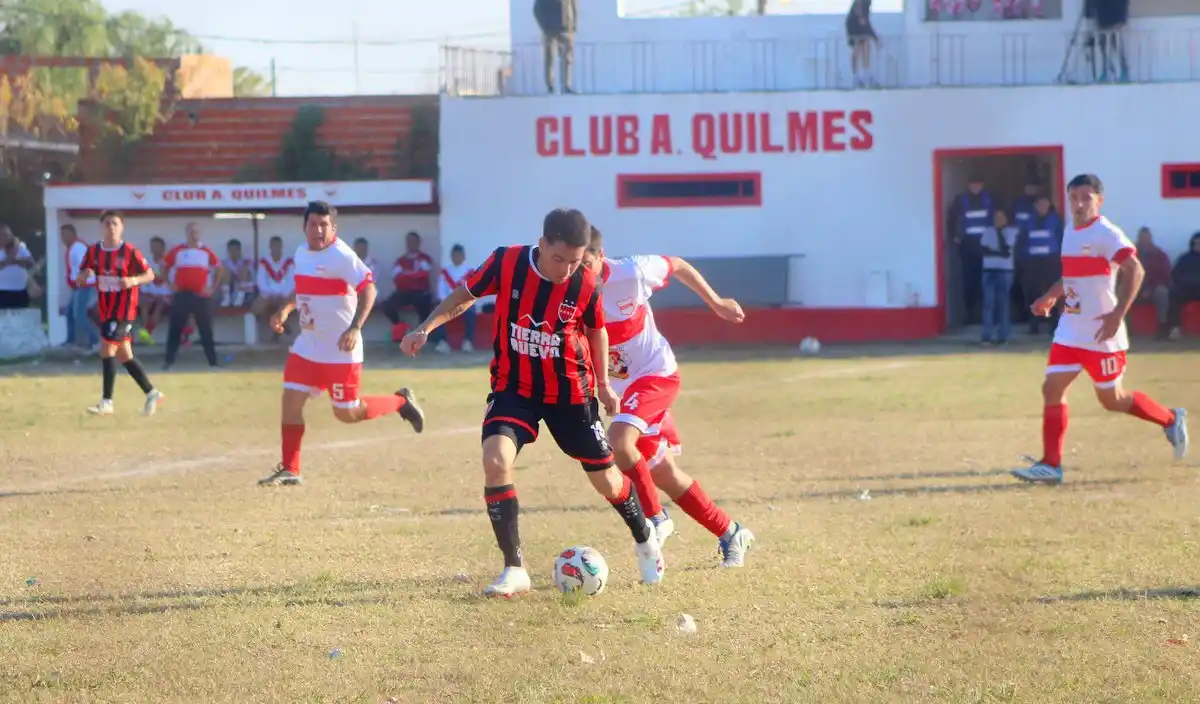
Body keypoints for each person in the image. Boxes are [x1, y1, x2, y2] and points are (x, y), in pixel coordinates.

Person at [399, 208, 665, 597]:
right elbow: (464, 296)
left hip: (571, 395)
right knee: (495, 459)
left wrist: (604, 385)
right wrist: (426, 327)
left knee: (608, 482)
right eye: (559, 259)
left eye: (575, 261)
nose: (566, 270)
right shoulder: (506, 262)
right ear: (541, 244)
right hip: (515, 388)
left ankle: (645, 539)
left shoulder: (586, 284)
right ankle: (514, 568)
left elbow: (597, 331)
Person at [581, 226, 756, 568]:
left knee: (619, 442)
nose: (578, 271)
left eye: (585, 262)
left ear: (601, 257)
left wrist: (716, 302)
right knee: (663, 473)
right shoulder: (567, 289)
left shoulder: (632, 273)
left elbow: (676, 265)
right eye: (572, 264)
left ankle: (656, 520)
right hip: (623, 393)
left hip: (655, 375)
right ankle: (731, 532)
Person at [1012, 174, 1188, 484]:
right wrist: (1050, 296)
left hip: (1102, 334)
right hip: (1071, 328)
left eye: (1086, 197)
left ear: (1099, 201)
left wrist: (1117, 314)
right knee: (1051, 388)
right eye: (1074, 197)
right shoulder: (1070, 230)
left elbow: (1136, 269)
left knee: (1113, 400)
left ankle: (1171, 419)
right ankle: (1051, 465)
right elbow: (1072, 277)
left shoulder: (1107, 233)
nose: (1079, 203)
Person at [258, 201, 425, 487]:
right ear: (304, 227)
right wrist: (285, 310)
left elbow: (369, 288)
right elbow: (302, 287)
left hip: (340, 350)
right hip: (308, 346)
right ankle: (290, 469)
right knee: (290, 402)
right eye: (313, 224)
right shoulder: (301, 253)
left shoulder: (342, 256)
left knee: (347, 413)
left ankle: (401, 402)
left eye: (324, 225)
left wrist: (355, 327)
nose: (318, 230)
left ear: (333, 228)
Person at [77, 211, 164, 416]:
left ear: (122, 227)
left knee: (107, 349)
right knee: (124, 355)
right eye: (107, 223)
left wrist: (132, 281)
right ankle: (152, 392)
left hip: (125, 310)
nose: (111, 227)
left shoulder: (130, 252)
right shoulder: (93, 252)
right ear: (101, 227)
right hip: (106, 310)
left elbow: (150, 275)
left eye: (115, 223)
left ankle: (107, 402)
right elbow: (80, 278)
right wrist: (84, 276)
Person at [163, 223, 222, 370]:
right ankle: (168, 363)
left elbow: (219, 268)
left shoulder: (205, 250)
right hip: (182, 294)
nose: (193, 234)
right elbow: (164, 266)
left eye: (196, 231)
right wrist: (169, 283)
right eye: (191, 231)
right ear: (186, 232)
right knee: (175, 329)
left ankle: (213, 363)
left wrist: (213, 287)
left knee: (206, 330)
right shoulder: (178, 250)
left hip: (201, 296)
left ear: (200, 233)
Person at [379, 231, 434, 342]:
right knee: (387, 305)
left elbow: (424, 274)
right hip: (403, 292)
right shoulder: (400, 260)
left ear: (419, 243)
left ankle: (423, 337)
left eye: (413, 241)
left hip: (420, 291)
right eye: (408, 241)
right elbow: (396, 278)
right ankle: (402, 328)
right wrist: (413, 276)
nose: (410, 243)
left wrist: (406, 275)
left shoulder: (425, 258)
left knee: (425, 307)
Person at [979, 210, 1018, 345]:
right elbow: (984, 251)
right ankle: (986, 336)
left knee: (1003, 303)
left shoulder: (1011, 232)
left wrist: (994, 250)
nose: (998, 220)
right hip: (988, 271)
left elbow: (1006, 251)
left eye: (1001, 217)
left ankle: (1003, 336)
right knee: (988, 304)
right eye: (996, 217)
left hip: (1005, 271)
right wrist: (997, 252)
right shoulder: (987, 232)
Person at [429, 243, 476, 353]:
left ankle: (468, 342)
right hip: (449, 303)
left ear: (463, 256)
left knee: (470, 312)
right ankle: (443, 342)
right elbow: (441, 290)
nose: (457, 257)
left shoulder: (470, 272)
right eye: (454, 255)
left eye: (459, 255)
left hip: (464, 303)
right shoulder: (445, 272)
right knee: (437, 313)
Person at [250, 236, 296, 342]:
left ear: (281, 247)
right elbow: (261, 281)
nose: (276, 249)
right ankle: (283, 324)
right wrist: (270, 294)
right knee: (256, 308)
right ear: (270, 247)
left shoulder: (288, 261)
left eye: (278, 246)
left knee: (288, 303)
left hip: (284, 294)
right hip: (269, 295)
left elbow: (291, 281)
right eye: (273, 246)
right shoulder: (264, 262)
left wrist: (282, 294)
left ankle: (277, 330)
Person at [60, 224, 98, 348]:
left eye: (66, 235)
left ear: (73, 235)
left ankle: (94, 341)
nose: (63, 238)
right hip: (78, 286)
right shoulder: (73, 247)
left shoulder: (78, 247)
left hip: (85, 286)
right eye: (62, 235)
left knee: (79, 314)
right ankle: (71, 340)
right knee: (70, 313)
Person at [1133, 227, 1173, 339]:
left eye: (1146, 238)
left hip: (1153, 288)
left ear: (1151, 239)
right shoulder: (1131, 254)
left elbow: (1165, 275)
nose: (1144, 240)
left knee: (1162, 292)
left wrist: (1150, 289)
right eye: (1141, 238)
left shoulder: (1160, 255)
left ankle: (1162, 327)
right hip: (1134, 287)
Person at [136, 237, 171, 345]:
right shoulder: (146, 263)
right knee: (144, 304)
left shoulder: (168, 263)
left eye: (157, 247)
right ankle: (145, 335)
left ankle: (148, 332)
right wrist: (149, 293)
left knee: (159, 305)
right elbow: (143, 281)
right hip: (149, 293)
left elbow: (170, 283)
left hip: (164, 295)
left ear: (163, 248)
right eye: (153, 247)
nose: (155, 249)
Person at [1166, 232, 1200, 340]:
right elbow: (1175, 274)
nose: (1197, 246)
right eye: (1195, 244)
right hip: (1186, 289)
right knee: (1173, 294)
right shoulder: (1184, 258)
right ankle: (1175, 329)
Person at [0, 224, 34, 310]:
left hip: (20, 290)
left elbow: (30, 262)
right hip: (2, 291)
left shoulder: (20, 247)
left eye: (8, 234)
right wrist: (9, 260)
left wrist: (13, 261)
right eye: (3, 235)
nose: (6, 237)